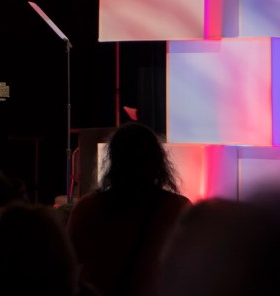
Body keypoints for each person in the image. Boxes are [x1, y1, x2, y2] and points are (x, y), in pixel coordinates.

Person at [66, 123, 190, 296]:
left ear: (113, 161)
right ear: (158, 162)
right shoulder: (177, 209)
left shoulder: (87, 208)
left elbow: (67, 265)